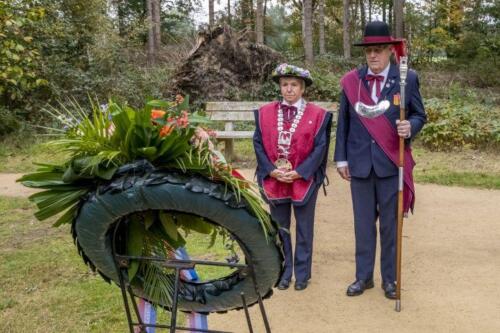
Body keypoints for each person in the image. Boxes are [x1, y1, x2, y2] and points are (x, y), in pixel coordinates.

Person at [334, 21, 426, 299]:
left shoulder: (406, 79)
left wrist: (410, 125)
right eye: (369, 51)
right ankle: (363, 278)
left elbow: (420, 114)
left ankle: (389, 279)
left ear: (390, 51)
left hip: (390, 163)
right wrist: (341, 159)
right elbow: (344, 122)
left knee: (390, 226)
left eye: (379, 50)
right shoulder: (352, 81)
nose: (373, 56)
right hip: (360, 164)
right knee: (363, 224)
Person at [253, 63, 332, 291]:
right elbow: (257, 142)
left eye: (294, 85)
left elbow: (321, 147)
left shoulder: (317, 115)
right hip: (275, 177)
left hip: (304, 179)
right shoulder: (265, 113)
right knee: (281, 227)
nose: (289, 89)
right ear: (279, 87)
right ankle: (284, 270)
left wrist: (301, 171)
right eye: (285, 84)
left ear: (303, 88)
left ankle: (303, 273)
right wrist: (270, 169)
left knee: (305, 228)